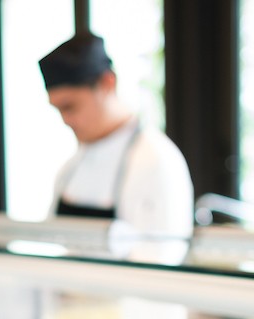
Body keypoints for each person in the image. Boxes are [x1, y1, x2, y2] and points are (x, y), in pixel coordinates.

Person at [39, 32, 194, 240]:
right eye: (58, 109)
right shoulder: (70, 168)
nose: (65, 120)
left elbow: (160, 259)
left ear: (107, 83)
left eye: (70, 106)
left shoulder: (156, 161)